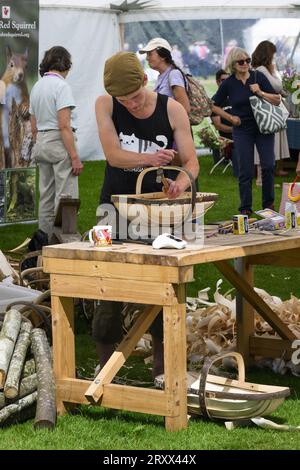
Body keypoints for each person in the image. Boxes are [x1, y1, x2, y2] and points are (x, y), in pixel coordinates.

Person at [93, 51, 199, 378]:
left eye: (136, 98)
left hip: (157, 214)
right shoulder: (105, 104)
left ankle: (161, 366)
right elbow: (112, 156)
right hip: (114, 207)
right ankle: (105, 364)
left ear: (145, 79)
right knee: (106, 285)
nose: (132, 106)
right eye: (124, 101)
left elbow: (191, 163)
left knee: (160, 286)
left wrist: (180, 184)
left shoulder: (173, 109)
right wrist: (151, 157)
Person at [213, 47, 281, 215]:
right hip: (242, 129)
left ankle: (268, 205)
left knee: (268, 165)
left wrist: (260, 92)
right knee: (245, 170)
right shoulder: (228, 83)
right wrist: (230, 119)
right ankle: (245, 208)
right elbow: (213, 104)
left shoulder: (259, 77)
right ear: (233, 64)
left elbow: (277, 100)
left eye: (248, 61)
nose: (245, 64)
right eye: (241, 61)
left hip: (263, 127)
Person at [29, 46, 83, 239]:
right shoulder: (61, 87)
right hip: (59, 141)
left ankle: (43, 239)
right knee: (66, 196)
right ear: (65, 64)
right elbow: (64, 126)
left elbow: (33, 125)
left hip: (41, 141)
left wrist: (41, 143)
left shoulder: (37, 86)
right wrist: (75, 157)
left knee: (46, 195)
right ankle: (67, 241)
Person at [251, 40, 290, 184]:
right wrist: (274, 71)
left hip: (270, 107)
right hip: (267, 109)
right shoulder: (262, 69)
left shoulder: (263, 69)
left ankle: (269, 175)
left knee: (270, 143)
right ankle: (262, 178)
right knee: (265, 144)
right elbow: (277, 85)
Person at [211, 69, 238, 177]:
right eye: (223, 80)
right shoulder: (215, 101)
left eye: (228, 80)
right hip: (228, 135)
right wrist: (234, 129)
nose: (226, 83)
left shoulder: (236, 97)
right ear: (217, 82)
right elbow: (218, 125)